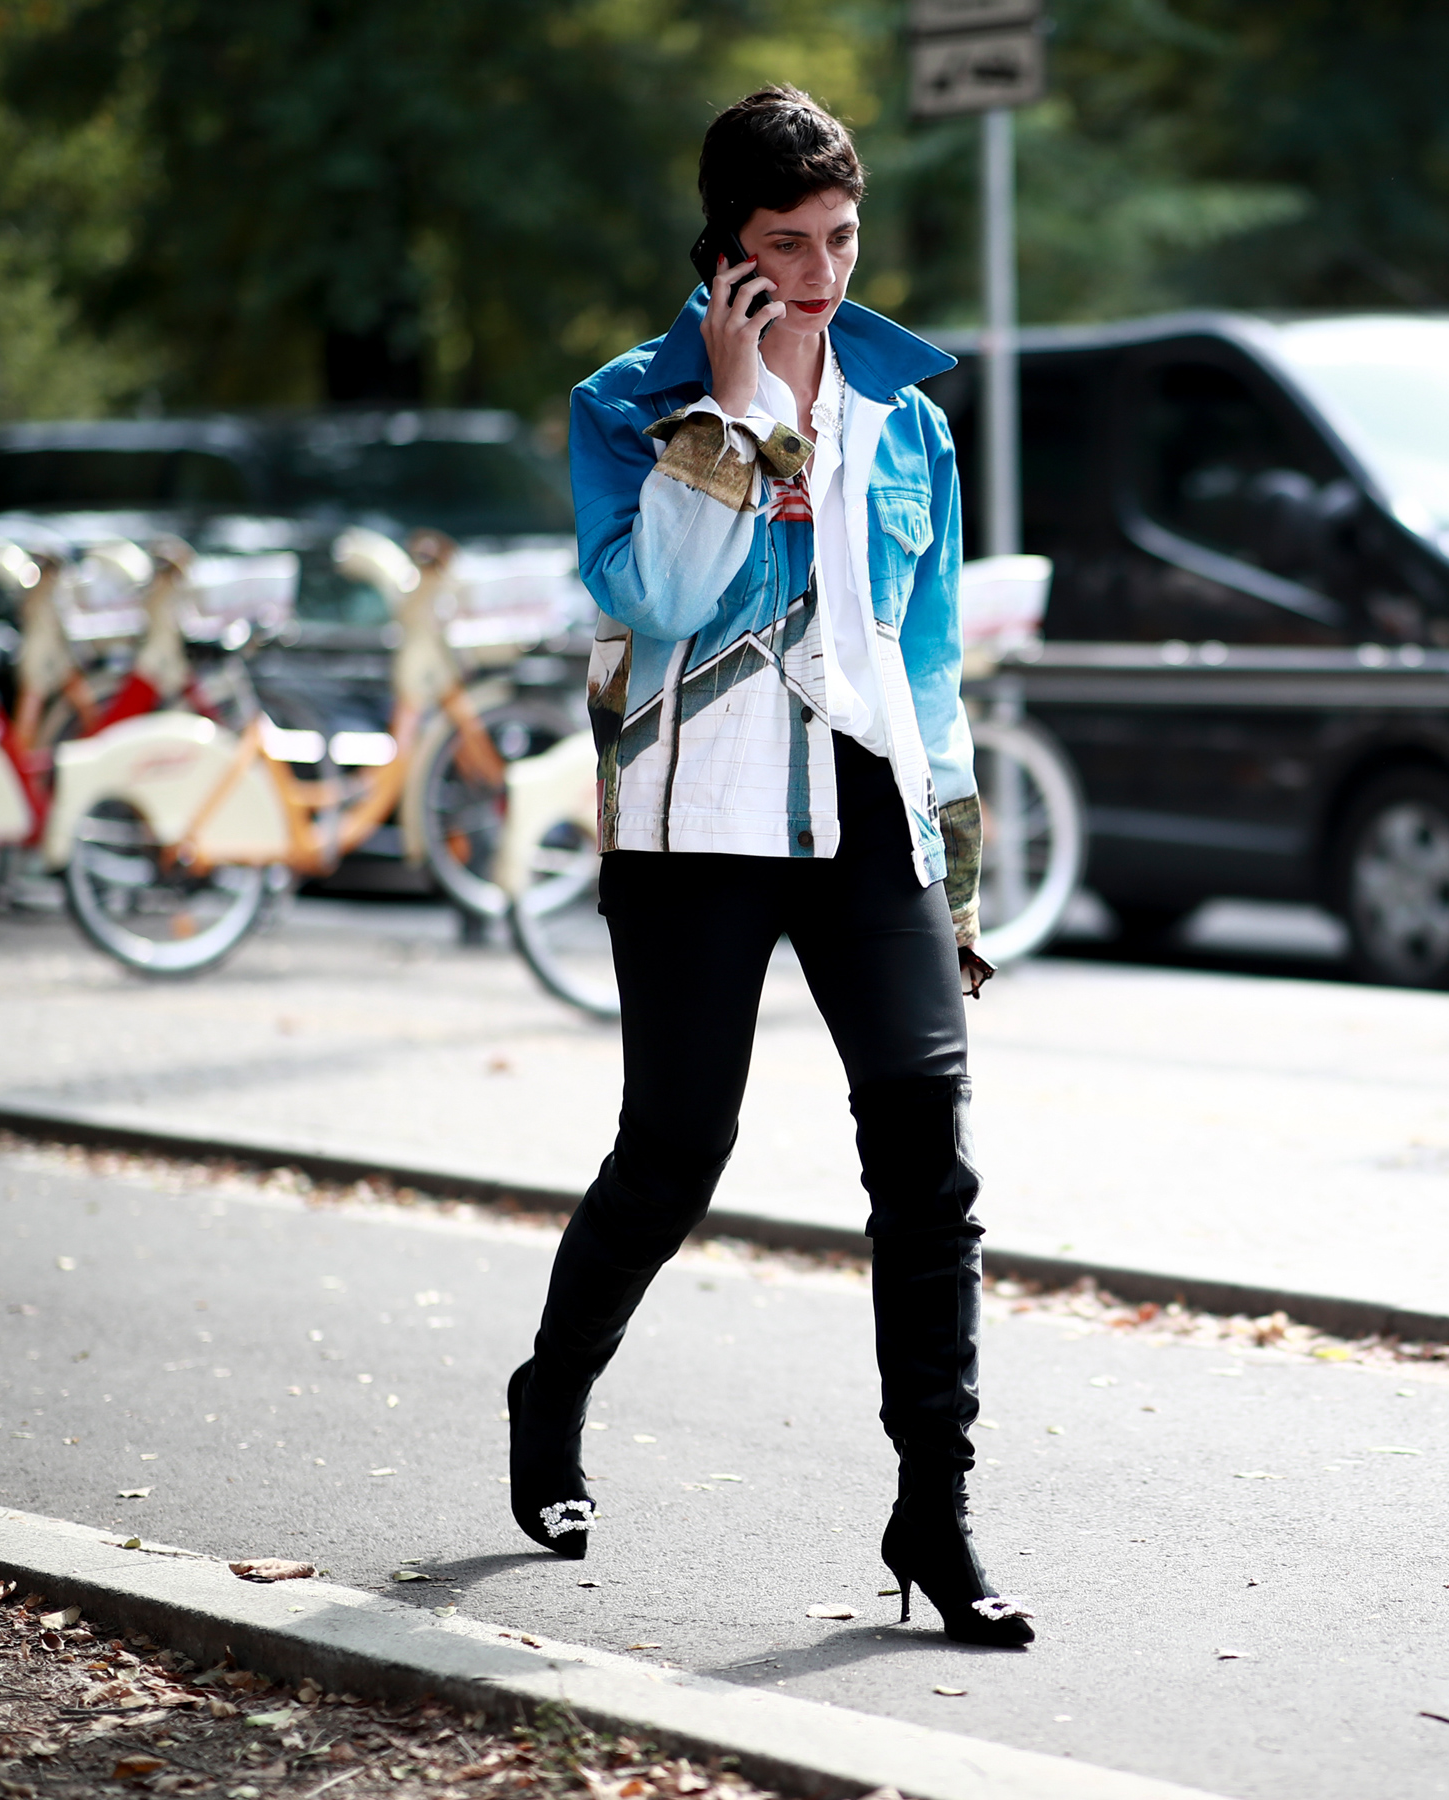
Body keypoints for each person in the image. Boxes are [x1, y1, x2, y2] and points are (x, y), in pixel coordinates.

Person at [505, 84, 1030, 1648]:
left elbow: (924, 666)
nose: (819, 273)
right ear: (725, 246)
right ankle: (552, 1393)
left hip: (869, 807)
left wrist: (956, 873)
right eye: (786, 244)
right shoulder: (630, 404)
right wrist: (731, 415)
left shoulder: (906, 417)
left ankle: (935, 1509)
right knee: (676, 1150)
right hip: (701, 817)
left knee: (928, 1154)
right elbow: (660, 603)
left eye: (840, 238)